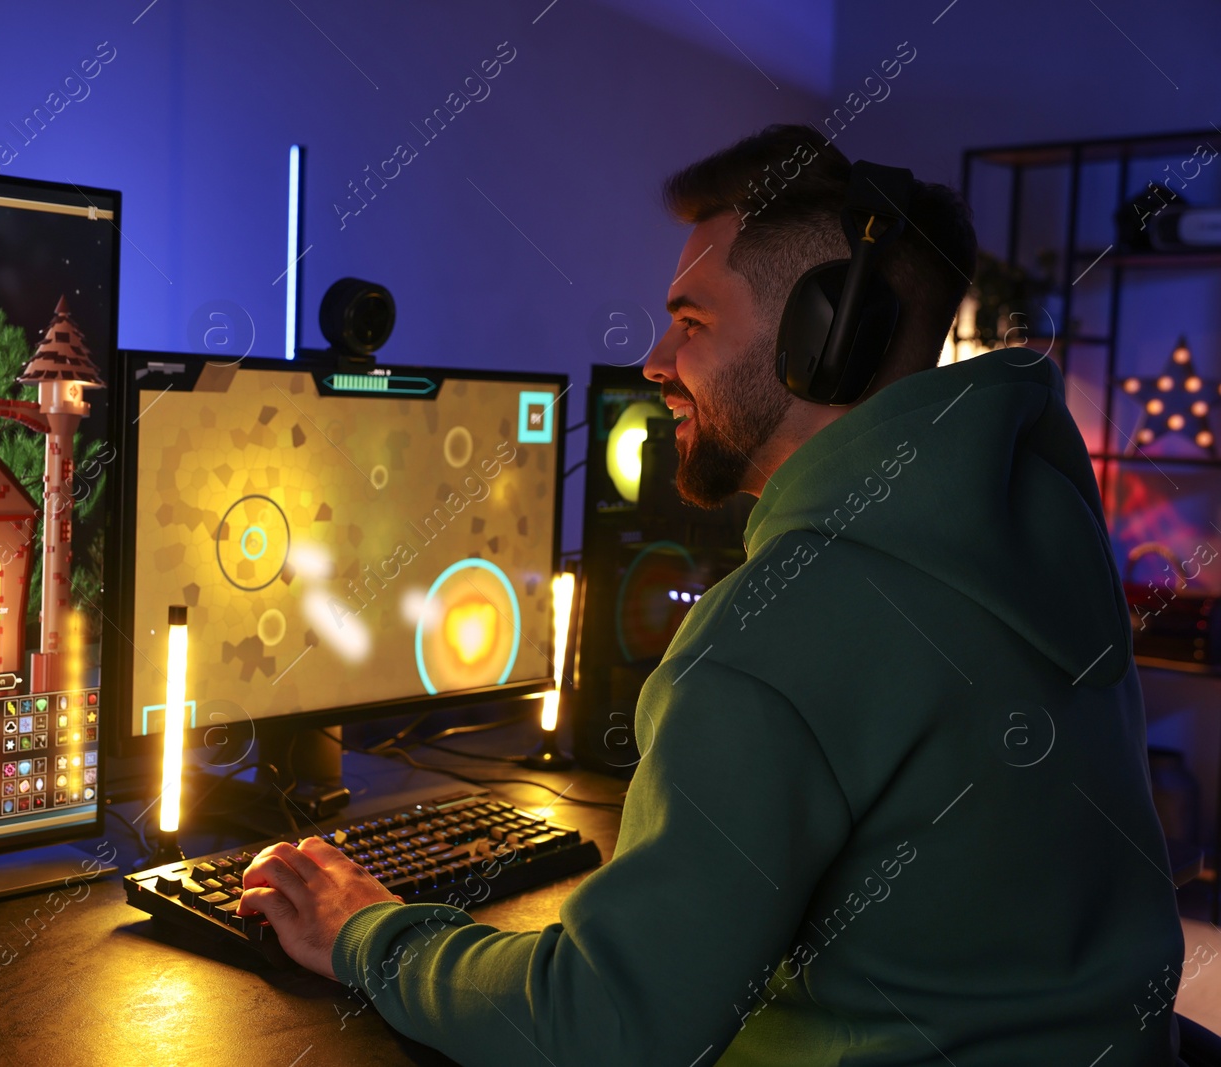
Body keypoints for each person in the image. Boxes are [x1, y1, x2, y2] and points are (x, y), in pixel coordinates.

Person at [238, 124, 1185, 1064]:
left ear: (824, 342)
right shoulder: (1043, 537)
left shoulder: (783, 625)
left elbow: (605, 1028)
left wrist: (369, 931)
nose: (655, 362)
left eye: (691, 322)